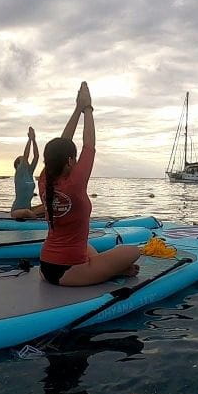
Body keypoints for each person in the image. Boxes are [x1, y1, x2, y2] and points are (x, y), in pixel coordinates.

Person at [38, 82, 140, 286]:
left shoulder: (44, 179)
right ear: (69, 161)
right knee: (133, 251)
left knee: (88, 247)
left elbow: (62, 144)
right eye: (73, 159)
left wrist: (77, 109)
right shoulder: (75, 182)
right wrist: (88, 108)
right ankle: (112, 272)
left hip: (45, 266)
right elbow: (89, 144)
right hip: (71, 272)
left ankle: (104, 269)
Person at [10, 126, 46, 219]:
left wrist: (34, 140)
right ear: (18, 165)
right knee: (26, 212)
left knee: (48, 205)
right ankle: (37, 219)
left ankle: (37, 217)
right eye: (22, 160)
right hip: (17, 211)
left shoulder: (29, 173)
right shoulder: (18, 174)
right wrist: (29, 140)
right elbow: (26, 155)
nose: (26, 161)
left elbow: (36, 156)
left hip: (29, 209)